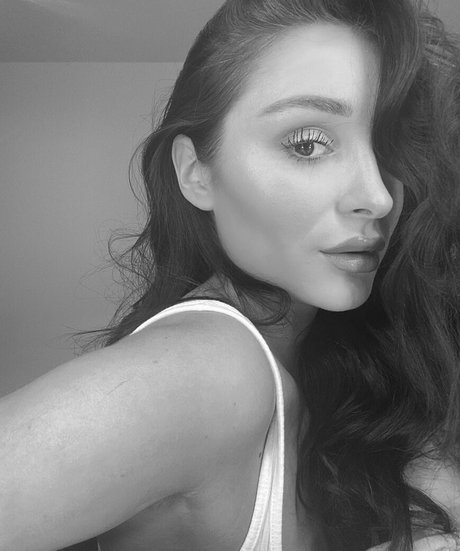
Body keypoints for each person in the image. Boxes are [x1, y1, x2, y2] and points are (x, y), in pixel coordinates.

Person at [1, 0, 460, 549]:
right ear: (196, 174)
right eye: (308, 144)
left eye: (388, 147)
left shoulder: (320, 363)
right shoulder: (207, 373)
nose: (379, 197)